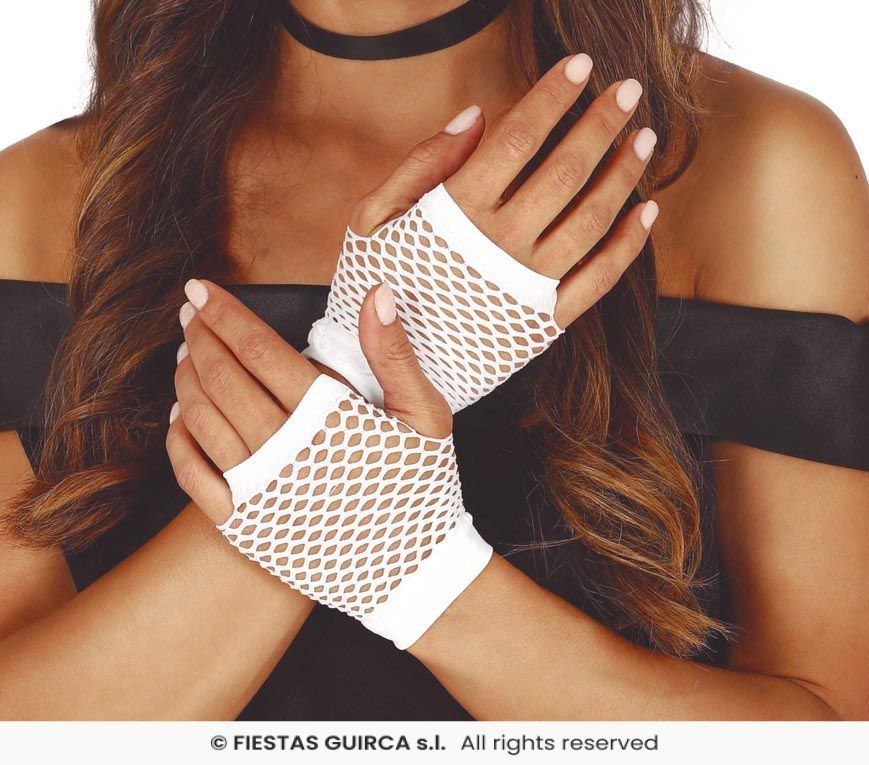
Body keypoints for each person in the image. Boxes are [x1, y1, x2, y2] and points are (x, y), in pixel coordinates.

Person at [0, 0, 865, 720]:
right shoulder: (46, 200)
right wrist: (371, 381)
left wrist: (426, 577)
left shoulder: (753, 166)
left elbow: (829, 725)